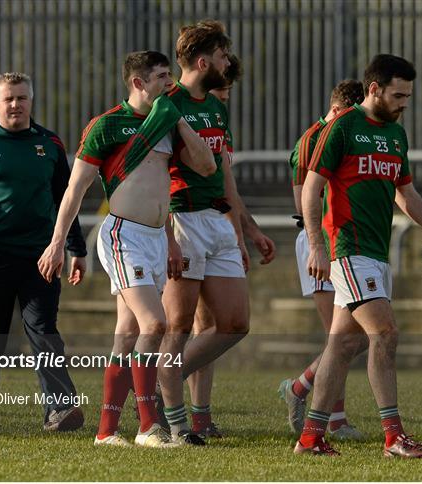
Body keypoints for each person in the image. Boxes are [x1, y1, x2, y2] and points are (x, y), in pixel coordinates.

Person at [37, 51, 216, 447]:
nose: (170, 84)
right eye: (161, 77)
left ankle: (106, 431)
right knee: (155, 325)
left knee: (127, 333)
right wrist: (57, 245)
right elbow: (74, 190)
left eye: (171, 76)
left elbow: (207, 167)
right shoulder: (107, 125)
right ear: (138, 83)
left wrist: (178, 118)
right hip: (123, 237)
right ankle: (150, 426)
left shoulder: (165, 121)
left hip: (155, 238)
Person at [294, 54, 422, 457]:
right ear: (374, 89)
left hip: (376, 253)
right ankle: (393, 436)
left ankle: (310, 438)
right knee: (384, 333)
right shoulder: (343, 127)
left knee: (342, 345)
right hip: (348, 248)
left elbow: (406, 192)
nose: (404, 103)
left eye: (408, 97)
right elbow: (312, 189)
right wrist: (316, 244)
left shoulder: (397, 136)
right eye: (398, 95)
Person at [0, 72, 87, 431]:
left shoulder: (49, 144)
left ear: (31, 102)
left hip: (41, 256)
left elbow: (65, 199)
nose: (15, 105)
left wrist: (75, 248)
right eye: (8, 99)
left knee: (44, 330)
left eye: (21, 98)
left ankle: (60, 410)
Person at [157, 20, 260, 442]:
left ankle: (161, 382)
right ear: (204, 61)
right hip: (181, 220)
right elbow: (150, 175)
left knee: (234, 323)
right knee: (179, 326)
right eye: (221, 56)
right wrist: (164, 239)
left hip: (217, 221)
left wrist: (240, 227)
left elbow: (224, 174)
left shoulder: (216, 107)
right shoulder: (167, 104)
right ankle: (175, 420)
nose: (226, 63)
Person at [185, 54, 276, 437]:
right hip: (183, 223)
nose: (222, 99)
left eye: (227, 93)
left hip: (216, 225)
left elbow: (227, 188)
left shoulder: (219, 123)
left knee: (212, 326)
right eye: (220, 90)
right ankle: (163, 391)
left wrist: (247, 232)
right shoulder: (178, 110)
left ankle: (198, 413)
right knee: (191, 325)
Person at [278, 80, 367, 441]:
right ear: (342, 110)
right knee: (341, 335)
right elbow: (304, 202)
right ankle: (332, 417)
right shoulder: (314, 139)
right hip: (320, 241)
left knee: (353, 335)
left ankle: (302, 389)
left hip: (344, 241)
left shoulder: (345, 134)